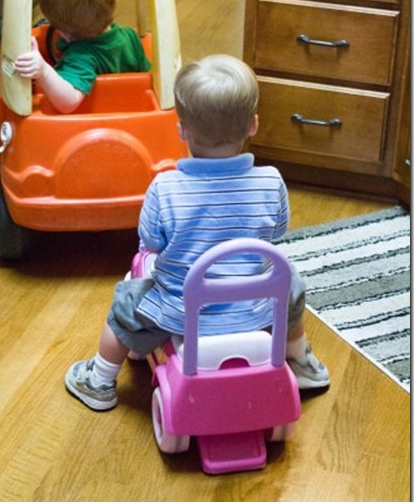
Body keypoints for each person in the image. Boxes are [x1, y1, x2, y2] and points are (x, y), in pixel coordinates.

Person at [65, 54, 330, 411]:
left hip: (182, 312)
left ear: (182, 130)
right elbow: (277, 231)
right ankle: (300, 362)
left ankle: (98, 380)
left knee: (125, 302)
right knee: (291, 282)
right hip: (254, 309)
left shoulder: (165, 188)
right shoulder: (271, 181)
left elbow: (151, 243)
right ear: (253, 125)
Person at [14, 0, 151, 113]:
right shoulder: (130, 35)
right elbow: (148, 78)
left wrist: (44, 72)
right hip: (132, 108)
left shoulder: (81, 57)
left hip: (94, 117)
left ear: (66, 33)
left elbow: (68, 103)